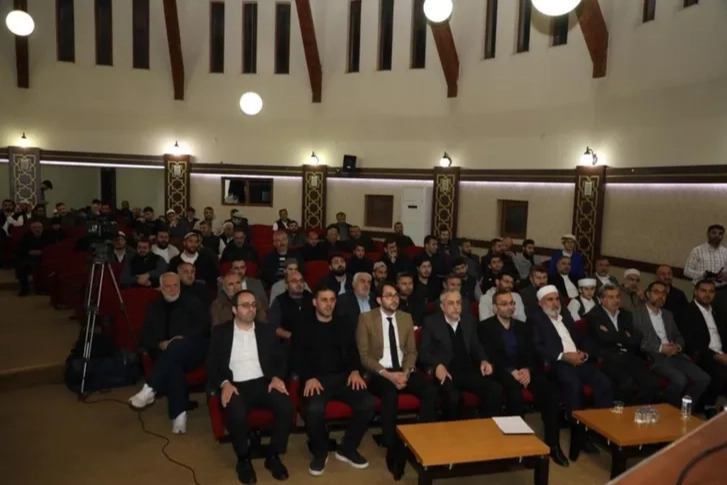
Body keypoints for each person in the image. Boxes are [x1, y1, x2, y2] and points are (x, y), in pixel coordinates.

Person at [207, 290, 294, 483]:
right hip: (235, 385)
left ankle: (273, 455)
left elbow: (281, 358)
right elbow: (211, 364)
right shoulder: (221, 332)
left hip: (263, 382)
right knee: (237, 412)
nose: (251, 309)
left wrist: (277, 377)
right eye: (245, 305)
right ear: (234, 310)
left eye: (254, 305)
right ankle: (243, 459)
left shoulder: (267, 330)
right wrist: (224, 383)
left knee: (286, 407)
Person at [356, 282, 438, 478]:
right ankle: (392, 447)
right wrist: (388, 375)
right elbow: (365, 356)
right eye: (389, 296)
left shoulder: (405, 317)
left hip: (404, 369)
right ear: (379, 299)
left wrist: (406, 373)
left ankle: (420, 439)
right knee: (390, 394)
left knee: (430, 391)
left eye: (395, 295)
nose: (394, 299)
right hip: (380, 372)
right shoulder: (366, 319)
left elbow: (411, 351)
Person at [479, 290, 569, 467]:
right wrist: (512, 370)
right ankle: (519, 448)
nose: (509, 307)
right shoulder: (485, 327)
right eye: (504, 304)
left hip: (525, 370)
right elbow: (491, 355)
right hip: (502, 370)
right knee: (515, 396)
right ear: (495, 308)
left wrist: (527, 369)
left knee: (549, 392)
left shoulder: (523, 326)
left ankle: (553, 445)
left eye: (511, 303)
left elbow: (532, 353)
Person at [293, 287, 375, 476]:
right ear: (315, 302)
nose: (328, 304)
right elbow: (296, 357)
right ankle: (320, 452)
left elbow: (353, 351)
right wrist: (308, 377)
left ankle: (347, 448)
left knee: (367, 404)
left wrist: (355, 371)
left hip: (343, 377)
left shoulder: (343, 323)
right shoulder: (303, 325)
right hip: (316, 379)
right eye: (324, 300)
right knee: (314, 410)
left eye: (332, 300)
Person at [128, 273, 211, 433]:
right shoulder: (154, 307)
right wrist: (159, 344)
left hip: (193, 350)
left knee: (176, 347)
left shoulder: (193, 303)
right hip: (165, 353)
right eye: (168, 286)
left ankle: (150, 388)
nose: (172, 290)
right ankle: (179, 416)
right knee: (173, 365)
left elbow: (204, 326)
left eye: (175, 286)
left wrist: (184, 338)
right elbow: (144, 335)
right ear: (161, 288)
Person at [418, 290, 503, 420]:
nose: (456, 307)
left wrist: (484, 360)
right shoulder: (431, 322)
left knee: (494, 389)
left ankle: (486, 427)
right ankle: (452, 431)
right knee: (454, 398)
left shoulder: (469, 320)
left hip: (468, 371)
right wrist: (437, 366)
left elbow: (476, 346)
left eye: (458, 303)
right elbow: (423, 352)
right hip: (446, 371)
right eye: (451, 303)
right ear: (442, 306)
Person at [632, 281, 710, 409]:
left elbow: (678, 336)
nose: (660, 296)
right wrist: (660, 348)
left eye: (664, 293)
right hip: (654, 356)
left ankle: (684, 410)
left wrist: (678, 346)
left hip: (675, 355)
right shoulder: (636, 314)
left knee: (703, 378)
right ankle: (667, 409)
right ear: (648, 294)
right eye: (656, 292)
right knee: (680, 380)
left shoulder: (668, 315)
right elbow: (636, 340)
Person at [586, 284, 659, 405]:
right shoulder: (594, 316)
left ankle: (636, 409)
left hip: (627, 355)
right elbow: (604, 339)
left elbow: (636, 339)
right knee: (626, 382)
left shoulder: (626, 314)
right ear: (601, 299)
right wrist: (624, 335)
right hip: (608, 358)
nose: (616, 300)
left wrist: (613, 334)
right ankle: (622, 412)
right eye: (611, 297)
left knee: (651, 382)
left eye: (617, 296)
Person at [681, 279, 727, 417]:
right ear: (695, 292)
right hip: (702, 354)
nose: (707, 294)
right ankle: (708, 405)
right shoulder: (687, 311)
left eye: (711, 291)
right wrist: (717, 356)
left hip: (721, 352)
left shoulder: (718, 311)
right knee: (720, 374)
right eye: (703, 291)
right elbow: (691, 342)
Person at [268, 271, 314, 343]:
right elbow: (274, 326)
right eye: (294, 281)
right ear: (286, 285)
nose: (299, 284)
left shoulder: (312, 298)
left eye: (301, 280)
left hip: (312, 339)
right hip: (288, 342)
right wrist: (291, 336)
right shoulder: (279, 301)